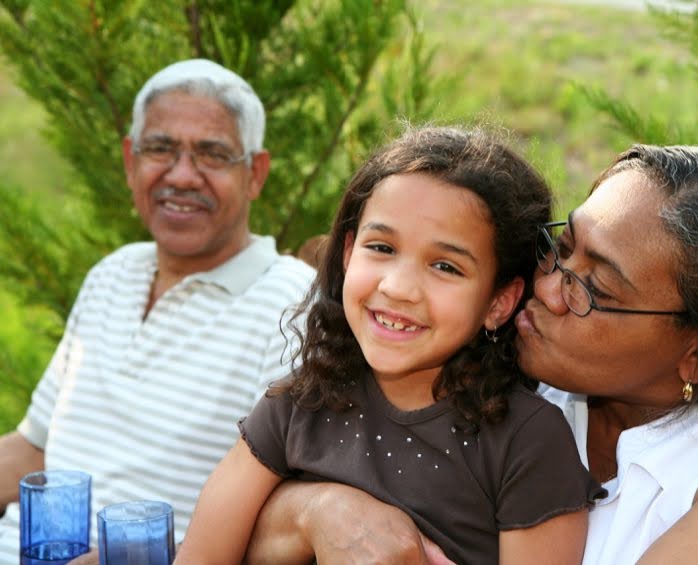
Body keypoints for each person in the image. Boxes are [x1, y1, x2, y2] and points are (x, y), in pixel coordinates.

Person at [242, 144, 698, 564]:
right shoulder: (488, 369)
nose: (546, 286)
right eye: (562, 247)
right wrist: (321, 511)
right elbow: (246, 524)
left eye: (594, 289)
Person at [176, 126, 604, 565]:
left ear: (498, 302)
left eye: (445, 266)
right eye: (381, 247)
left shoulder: (527, 441)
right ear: (348, 253)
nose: (399, 288)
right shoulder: (298, 405)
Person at [0, 58, 316, 561]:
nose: (182, 176)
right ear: (130, 161)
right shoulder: (112, 273)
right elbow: (35, 448)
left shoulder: (292, 303)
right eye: (160, 149)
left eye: (212, 154)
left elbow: (286, 515)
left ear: (255, 174)